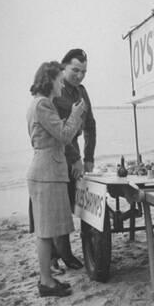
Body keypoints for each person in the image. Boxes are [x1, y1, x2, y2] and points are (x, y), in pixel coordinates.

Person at [27, 61, 86, 297]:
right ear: (49, 80)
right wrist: (75, 114)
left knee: (46, 230)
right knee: (45, 231)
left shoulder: (40, 104)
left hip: (45, 171)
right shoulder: (43, 104)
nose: (62, 84)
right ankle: (46, 282)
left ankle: (47, 279)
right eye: (59, 80)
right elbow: (63, 135)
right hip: (47, 174)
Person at [52, 48, 96, 270]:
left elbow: (90, 125)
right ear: (63, 67)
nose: (79, 76)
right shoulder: (56, 91)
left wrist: (88, 157)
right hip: (58, 152)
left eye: (84, 72)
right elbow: (61, 133)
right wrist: (76, 159)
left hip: (76, 149)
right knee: (58, 206)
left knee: (72, 202)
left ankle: (64, 253)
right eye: (75, 70)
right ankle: (60, 255)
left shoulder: (81, 91)